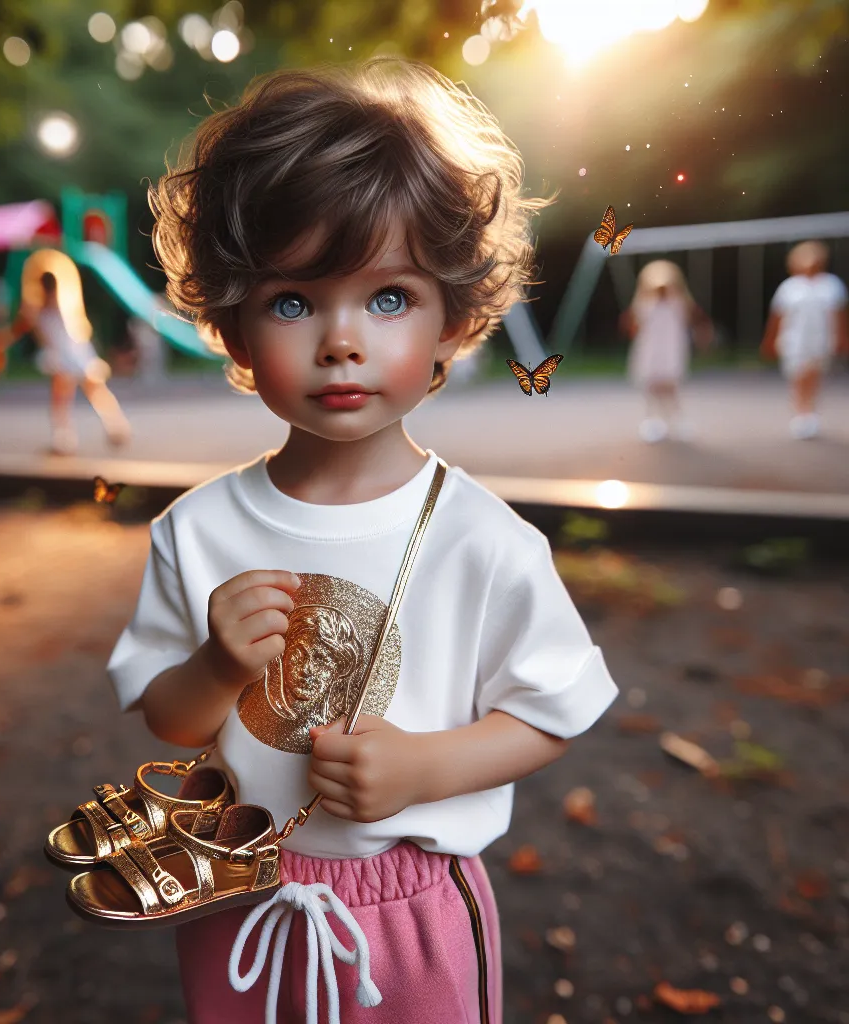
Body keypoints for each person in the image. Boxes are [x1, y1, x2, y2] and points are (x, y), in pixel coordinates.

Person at [106, 59, 618, 1024]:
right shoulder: (198, 530)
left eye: (387, 298)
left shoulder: (486, 540)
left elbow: (555, 707)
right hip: (242, 896)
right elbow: (169, 719)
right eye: (294, 301)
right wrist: (218, 664)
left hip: (413, 907)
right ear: (237, 331)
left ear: (450, 324)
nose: (341, 340)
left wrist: (430, 768)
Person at [0, 251, 131, 455]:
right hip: (77, 351)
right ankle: (113, 426)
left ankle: (66, 439)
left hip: (65, 354)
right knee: (93, 391)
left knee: (64, 398)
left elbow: (22, 328)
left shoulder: (42, 307)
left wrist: (2, 341)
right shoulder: (64, 302)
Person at [760, 240, 849, 440]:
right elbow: (777, 317)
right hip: (794, 340)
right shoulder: (789, 287)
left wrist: (843, 338)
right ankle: (801, 412)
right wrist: (770, 341)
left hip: (821, 339)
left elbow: (840, 315)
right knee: (798, 375)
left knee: (814, 375)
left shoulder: (831, 285)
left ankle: (809, 412)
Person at [620, 259, 713, 443]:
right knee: (652, 386)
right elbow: (631, 325)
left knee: (671, 387)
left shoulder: (679, 302)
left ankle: (677, 419)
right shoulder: (643, 303)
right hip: (651, 350)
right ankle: (653, 420)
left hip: (671, 349)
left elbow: (696, 319)